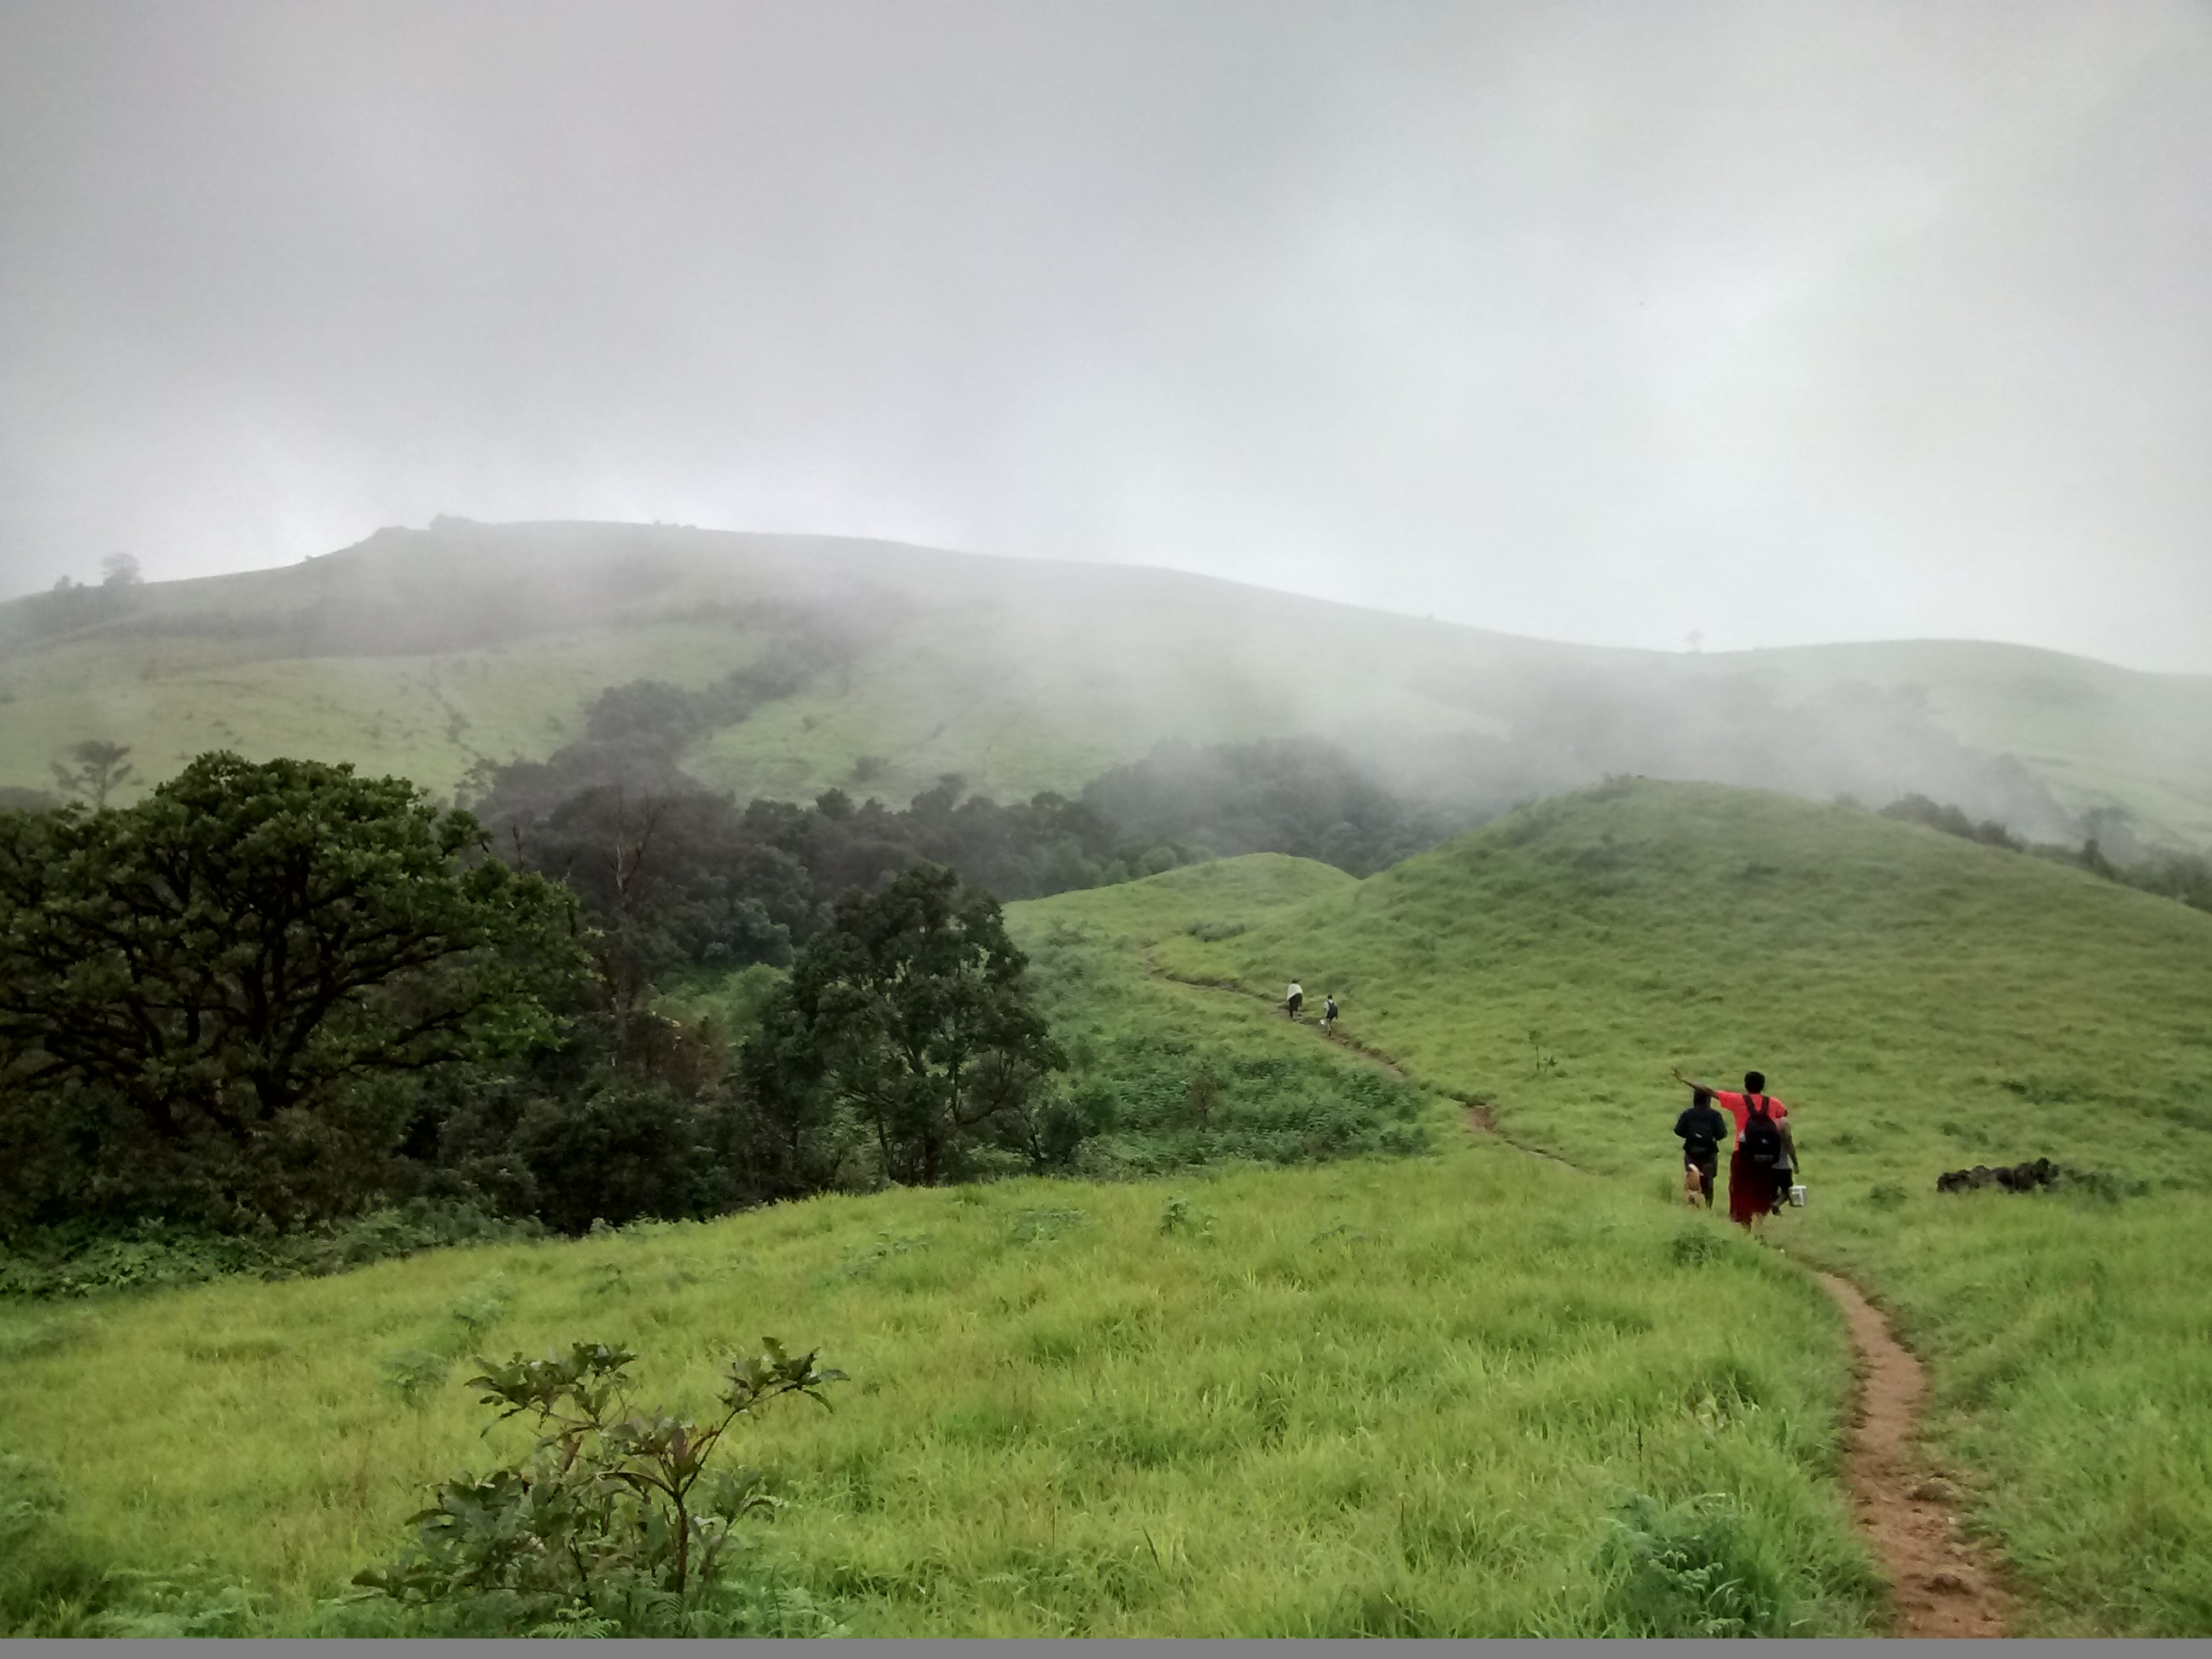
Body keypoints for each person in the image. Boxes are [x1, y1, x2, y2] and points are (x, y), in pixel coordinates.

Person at [1672, 1068, 1800, 1228]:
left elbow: (1709, 1091)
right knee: (1762, 1188)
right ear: (1763, 1085)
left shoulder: (1738, 1100)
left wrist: (1685, 1080)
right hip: (1767, 1156)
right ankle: (1760, 1223)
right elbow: (1784, 1114)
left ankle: (1741, 1221)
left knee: (1739, 1188)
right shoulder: (1773, 1103)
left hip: (1743, 1153)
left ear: (1745, 1085)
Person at [1673, 1086, 1726, 1209]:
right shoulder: (1715, 1115)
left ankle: (1693, 1206)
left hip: (1691, 1152)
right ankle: (1708, 1206)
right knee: (1709, 1180)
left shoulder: (1687, 1114)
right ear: (1709, 1100)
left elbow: (1678, 1130)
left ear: (1694, 1099)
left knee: (1692, 1180)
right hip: (1709, 1153)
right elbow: (1722, 1133)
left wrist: (1689, 1135)